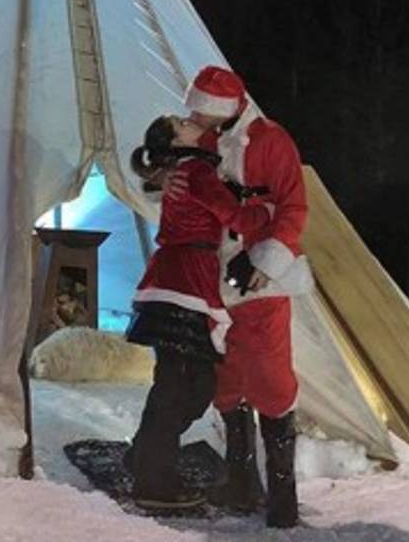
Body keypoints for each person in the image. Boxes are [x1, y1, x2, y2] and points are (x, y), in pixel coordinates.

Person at [176, 64, 313, 529]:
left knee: (271, 381)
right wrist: (165, 184)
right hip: (214, 280)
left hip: (260, 282)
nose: (195, 118)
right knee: (226, 379)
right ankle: (240, 481)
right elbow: (178, 175)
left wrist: (263, 261)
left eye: (203, 112)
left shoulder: (272, 142)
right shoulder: (207, 141)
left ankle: (283, 497)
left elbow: (293, 208)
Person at [125, 114, 274, 511]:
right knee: (183, 387)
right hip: (184, 283)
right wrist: (269, 211)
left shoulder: (189, 170)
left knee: (181, 384)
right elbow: (238, 218)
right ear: (177, 143)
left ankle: (145, 458)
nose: (192, 121)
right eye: (182, 123)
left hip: (179, 279)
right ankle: (152, 481)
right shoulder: (195, 171)